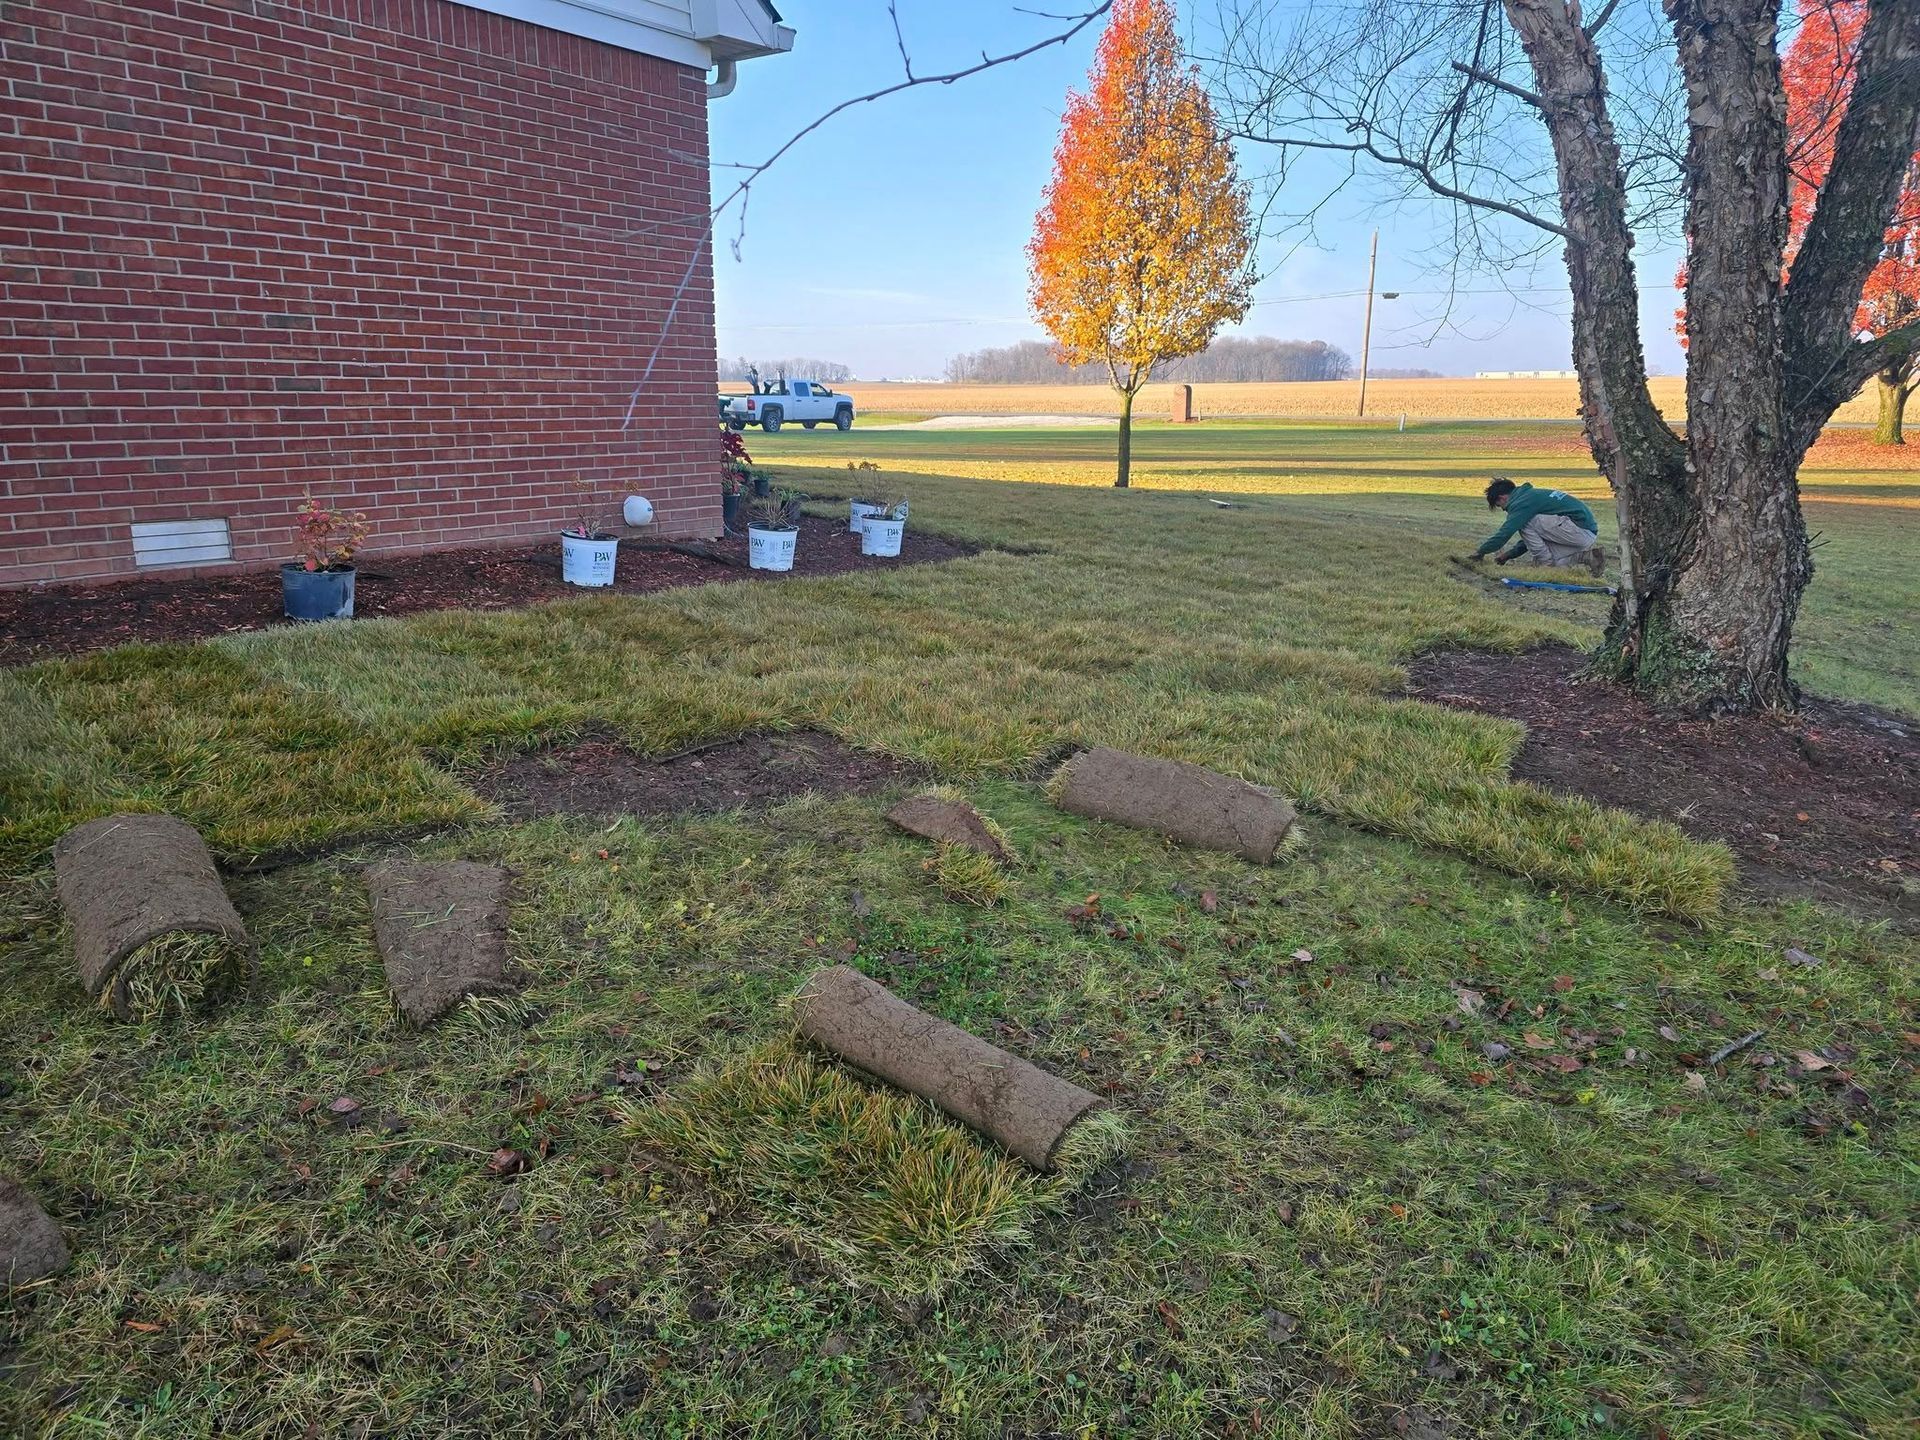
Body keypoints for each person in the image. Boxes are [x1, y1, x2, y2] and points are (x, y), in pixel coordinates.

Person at [1462, 476, 1604, 575]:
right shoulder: (1528, 496)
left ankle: (1545, 566)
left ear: (1502, 498)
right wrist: (1508, 556)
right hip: (1583, 532)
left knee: (1527, 525)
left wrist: (1480, 552)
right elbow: (1530, 538)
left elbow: (1505, 533)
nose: (1504, 509)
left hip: (1577, 529)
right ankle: (1588, 557)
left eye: (1500, 506)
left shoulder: (1521, 503)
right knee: (1547, 561)